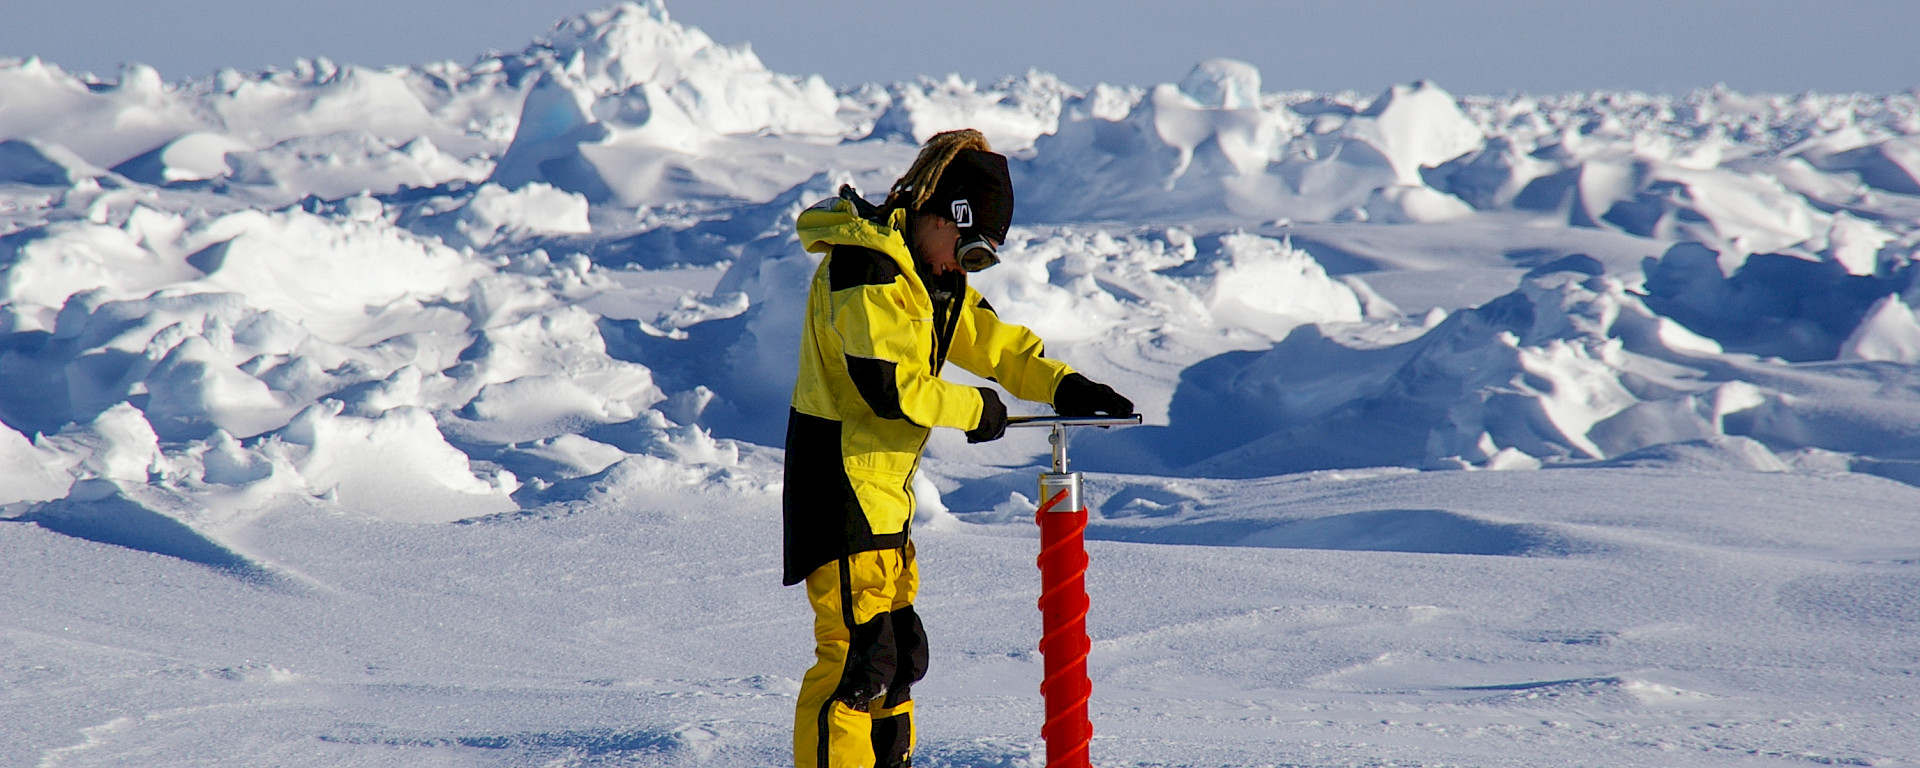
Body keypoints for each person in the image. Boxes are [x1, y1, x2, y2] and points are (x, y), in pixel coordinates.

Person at [783, 128, 1134, 768]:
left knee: (897, 654)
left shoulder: (927, 277)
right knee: (855, 661)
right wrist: (979, 409)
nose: (960, 267)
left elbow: (993, 343)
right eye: (963, 250)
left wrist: (1065, 386)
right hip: (838, 488)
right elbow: (892, 389)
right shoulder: (865, 271)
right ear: (937, 214)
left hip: (881, 495)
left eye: (979, 260)